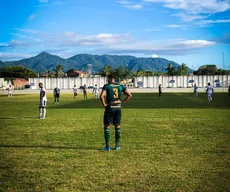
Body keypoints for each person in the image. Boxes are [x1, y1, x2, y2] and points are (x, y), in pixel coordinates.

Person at [100, 74, 132, 151]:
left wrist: (104, 104)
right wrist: (122, 102)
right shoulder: (120, 86)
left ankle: (107, 147)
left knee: (107, 126)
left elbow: (101, 96)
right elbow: (130, 95)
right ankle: (117, 146)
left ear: (110, 78)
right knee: (117, 126)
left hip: (110, 107)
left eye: (108, 78)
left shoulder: (107, 86)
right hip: (118, 107)